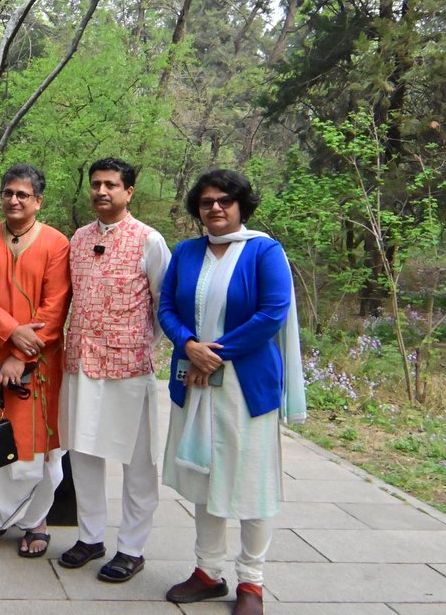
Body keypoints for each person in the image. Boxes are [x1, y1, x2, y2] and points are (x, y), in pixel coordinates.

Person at [157, 170, 306, 615]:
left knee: (252, 482)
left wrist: (214, 355)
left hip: (245, 385)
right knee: (205, 478)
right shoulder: (185, 253)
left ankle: (252, 582)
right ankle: (208, 572)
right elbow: (165, 306)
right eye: (206, 202)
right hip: (195, 380)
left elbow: (271, 313)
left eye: (225, 200)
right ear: (197, 209)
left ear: (242, 205)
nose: (215, 208)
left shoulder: (264, 251)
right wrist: (188, 346)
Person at [59, 158, 170, 582]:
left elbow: (165, 305)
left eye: (111, 185)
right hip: (81, 364)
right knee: (83, 453)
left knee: (137, 461)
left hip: (128, 367)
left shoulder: (149, 240)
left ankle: (132, 547)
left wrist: (138, 342)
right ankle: (90, 537)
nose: (102, 191)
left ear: (129, 192)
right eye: (96, 184)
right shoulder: (79, 238)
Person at [0, 163, 71, 558]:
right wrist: (10, 333)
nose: (14, 200)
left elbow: (54, 309)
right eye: (8, 192)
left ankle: (35, 522)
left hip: (38, 361)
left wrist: (21, 354)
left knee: (34, 446)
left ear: (38, 201)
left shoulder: (57, 244)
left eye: (23, 194)